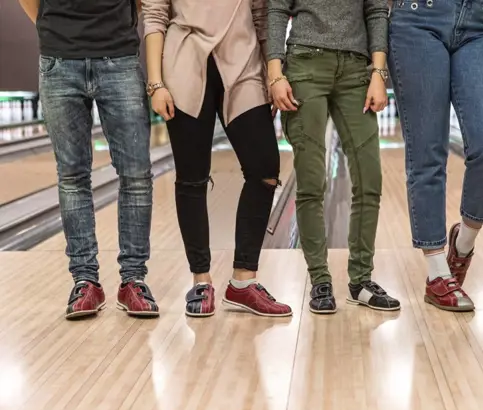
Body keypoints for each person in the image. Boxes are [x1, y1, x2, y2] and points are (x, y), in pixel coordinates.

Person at [143, 0, 293, 317]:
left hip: (243, 62)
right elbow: (155, 14)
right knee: (192, 176)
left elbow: (261, 14)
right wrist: (155, 82)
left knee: (265, 168)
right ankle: (201, 280)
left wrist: (271, 70)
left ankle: (243, 281)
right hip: (185, 61)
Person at [19, 0, 158, 319]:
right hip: (58, 61)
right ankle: (85, 282)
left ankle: (133, 280)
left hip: (120, 57)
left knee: (136, 176)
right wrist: (51, 28)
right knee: (72, 177)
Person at [268, 0, 401, 314]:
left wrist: (379, 73)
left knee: (370, 179)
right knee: (312, 181)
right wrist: (275, 72)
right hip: (304, 64)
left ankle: (361, 281)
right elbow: (276, 8)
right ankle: (320, 280)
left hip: (356, 69)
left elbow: (377, 10)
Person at [387, 0, 483, 312]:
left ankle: (464, 243)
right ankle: (437, 273)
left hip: (477, 22)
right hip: (415, 21)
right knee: (427, 153)